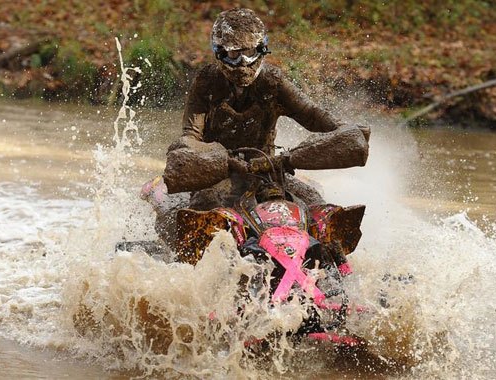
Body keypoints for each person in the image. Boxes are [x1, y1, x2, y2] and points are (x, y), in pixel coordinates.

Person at [151, 8, 369, 246]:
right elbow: (190, 138)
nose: (243, 63)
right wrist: (224, 162)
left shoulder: (274, 82)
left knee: (313, 200)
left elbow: (315, 117)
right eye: (234, 55)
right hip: (217, 175)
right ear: (219, 53)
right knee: (203, 207)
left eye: (250, 53)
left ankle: (331, 259)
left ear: (263, 48)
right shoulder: (206, 82)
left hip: (269, 172)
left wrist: (341, 134)